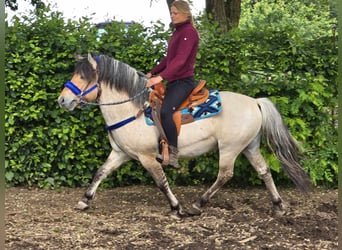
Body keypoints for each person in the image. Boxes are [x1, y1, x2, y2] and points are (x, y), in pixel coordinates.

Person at [146, 0, 199, 168]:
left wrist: (160, 78)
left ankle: (174, 153)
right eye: (171, 12)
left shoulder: (189, 33)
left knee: (167, 111)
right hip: (174, 82)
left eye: (175, 13)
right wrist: (152, 72)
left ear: (186, 13)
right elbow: (169, 59)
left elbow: (180, 62)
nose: (172, 15)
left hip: (183, 82)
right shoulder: (178, 33)